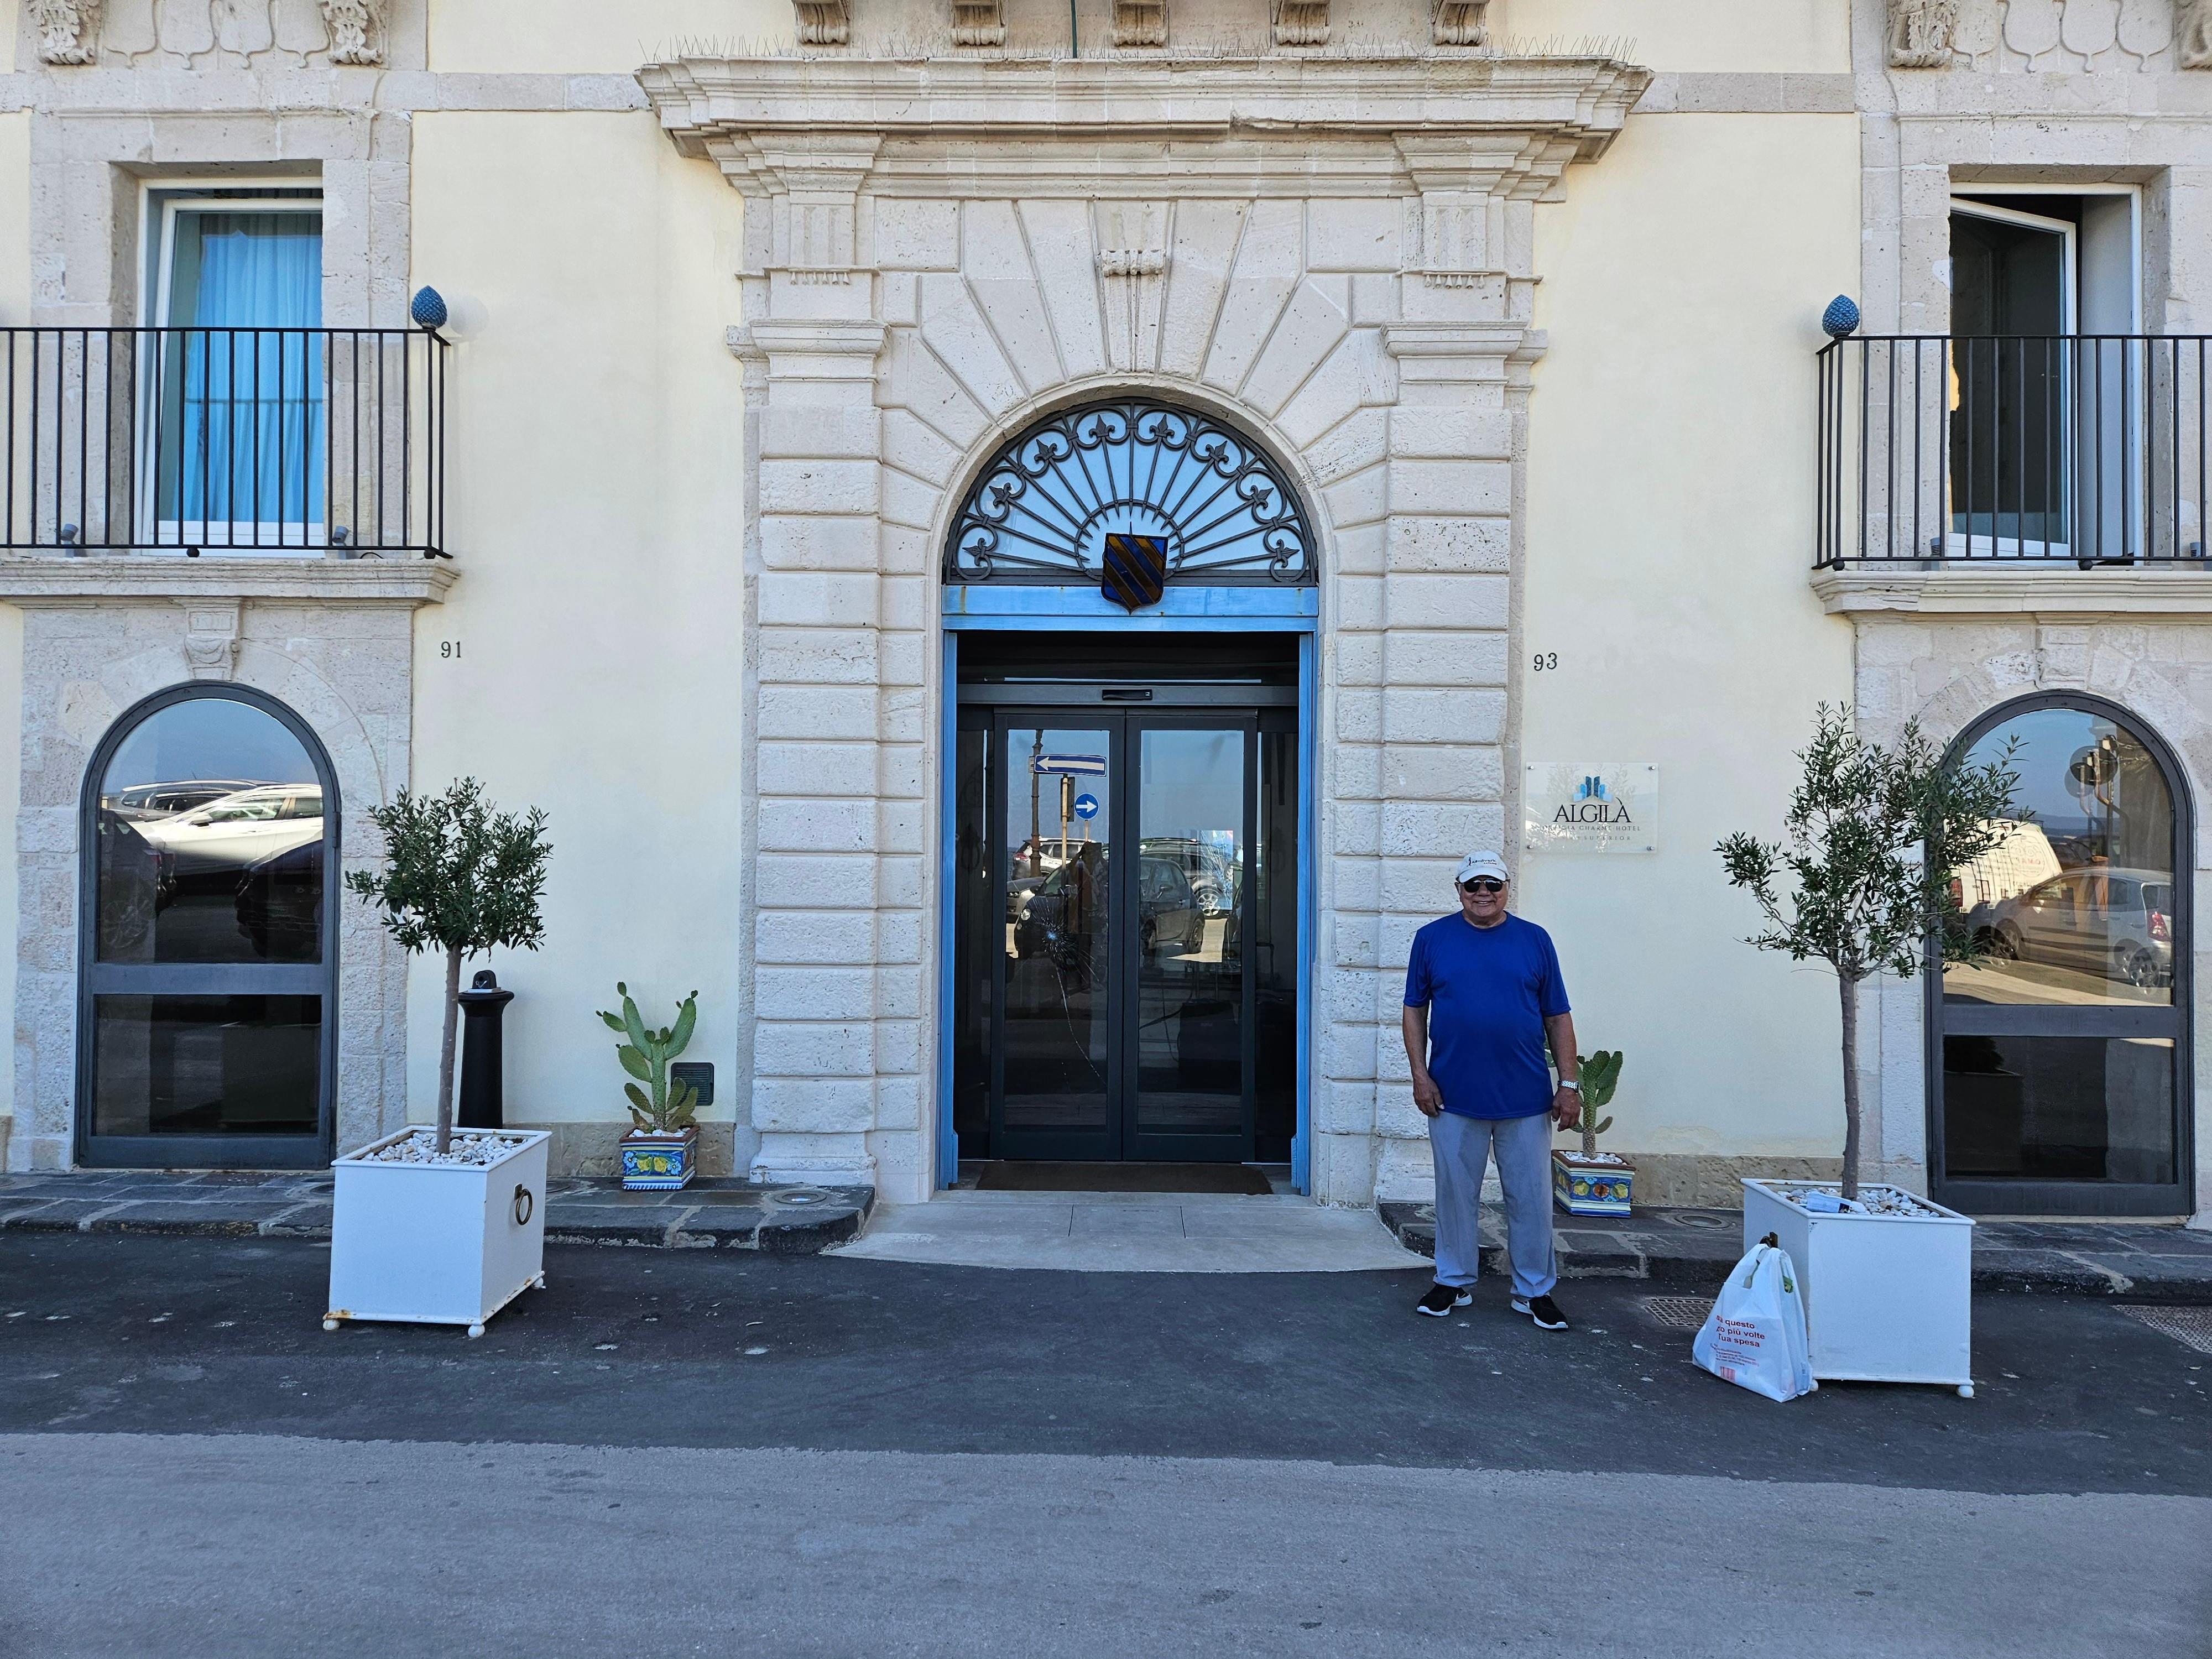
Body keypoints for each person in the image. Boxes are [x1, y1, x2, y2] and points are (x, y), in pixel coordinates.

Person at [1401, 851, 1579, 1329]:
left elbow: (1557, 1016)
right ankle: (1453, 1281)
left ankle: (1533, 1292)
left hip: (1524, 1098)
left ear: (1507, 889)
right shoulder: (1431, 939)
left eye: (1493, 885)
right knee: (1455, 1195)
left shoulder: (1535, 941)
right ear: (1458, 889)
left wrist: (1569, 1084)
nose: (1483, 893)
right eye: (1473, 885)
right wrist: (1420, 1074)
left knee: (1531, 1199)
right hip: (1453, 1096)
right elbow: (1415, 1010)